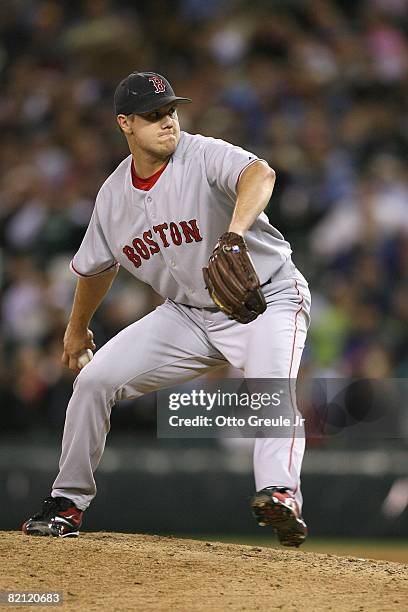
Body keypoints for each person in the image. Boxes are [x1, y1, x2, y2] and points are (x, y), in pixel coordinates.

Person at [22, 71, 311, 546]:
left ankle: (280, 492)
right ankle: (67, 501)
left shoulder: (202, 154)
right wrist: (76, 330)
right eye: (153, 115)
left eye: (170, 111)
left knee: (270, 390)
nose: (167, 121)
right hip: (187, 315)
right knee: (94, 381)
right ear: (125, 124)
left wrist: (235, 233)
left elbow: (260, 174)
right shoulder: (113, 196)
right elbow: (96, 268)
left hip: (267, 299)